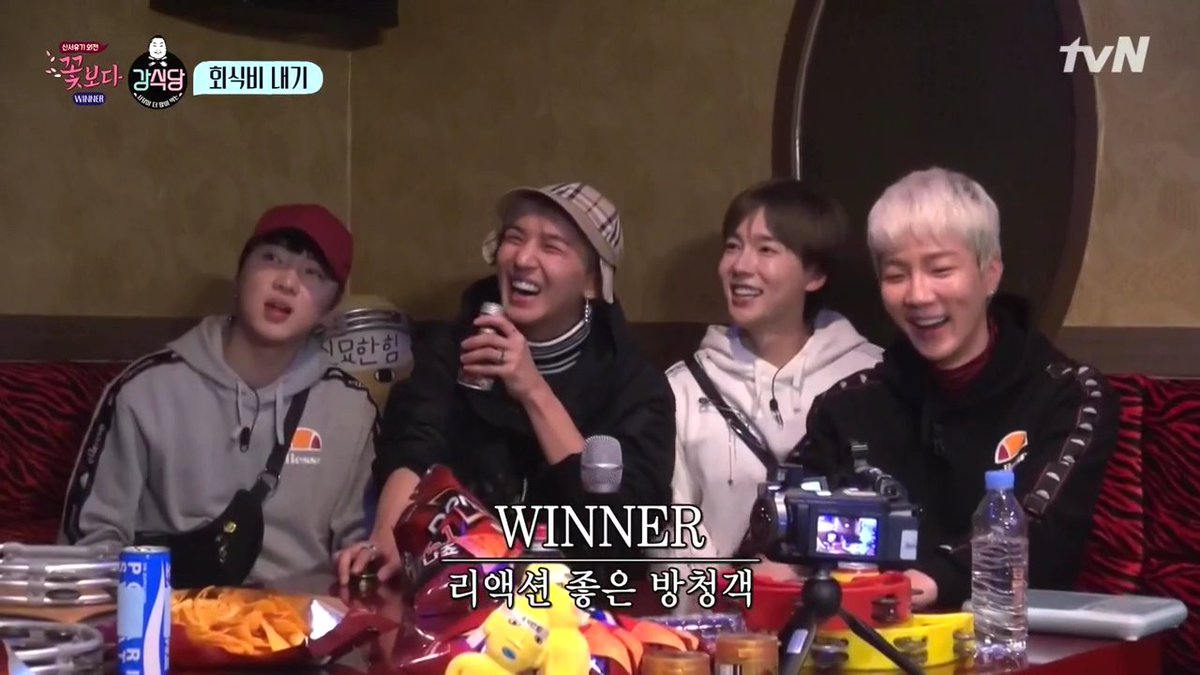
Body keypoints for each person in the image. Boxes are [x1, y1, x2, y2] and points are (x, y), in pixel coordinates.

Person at [790, 167, 1119, 610]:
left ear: (990, 273)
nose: (918, 295)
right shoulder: (847, 405)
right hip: (860, 633)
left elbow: (1042, 533)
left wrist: (929, 581)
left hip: (1011, 636)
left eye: (941, 269)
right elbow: (785, 520)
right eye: (896, 275)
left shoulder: (1070, 395)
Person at [337, 182, 675, 584]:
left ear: (592, 281)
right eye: (514, 238)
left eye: (552, 247)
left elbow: (621, 526)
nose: (524, 259)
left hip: (579, 598)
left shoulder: (633, 382)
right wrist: (388, 535)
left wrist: (533, 391)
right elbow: (417, 440)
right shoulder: (455, 346)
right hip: (457, 586)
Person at [60, 204, 378, 585]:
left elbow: (364, 549)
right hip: (172, 613)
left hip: (301, 617)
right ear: (239, 276)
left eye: (313, 273)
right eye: (272, 259)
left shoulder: (352, 410)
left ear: (331, 308)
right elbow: (89, 542)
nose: (287, 283)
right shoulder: (145, 391)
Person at [660, 179, 881, 581]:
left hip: (845, 611)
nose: (741, 266)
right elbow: (671, 526)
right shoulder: (682, 388)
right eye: (733, 246)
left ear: (815, 274)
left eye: (766, 249)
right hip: (723, 612)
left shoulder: (871, 378)